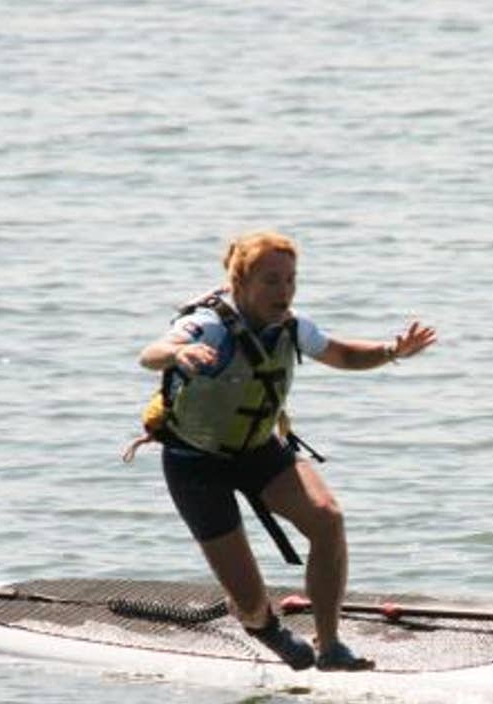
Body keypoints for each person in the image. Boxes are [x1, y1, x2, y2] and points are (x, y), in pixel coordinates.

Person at [135, 231, 437, 671]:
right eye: (270, 281)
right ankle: (262, 624)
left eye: (290, 280)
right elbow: (150, 353)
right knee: (252, 603)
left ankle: (330, 645)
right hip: (195, 465)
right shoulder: (208, 327)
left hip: (259, 451)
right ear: (239, 282)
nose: (284, 291)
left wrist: (392, 351)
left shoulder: (294, 326)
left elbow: (343, 355)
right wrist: (178, 354)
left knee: (327, 518)